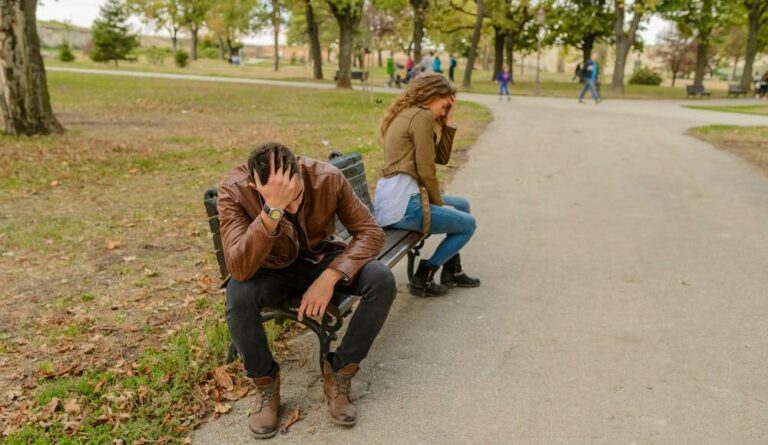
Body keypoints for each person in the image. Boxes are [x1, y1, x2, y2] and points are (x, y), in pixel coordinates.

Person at [218, 143, 396, 438]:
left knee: (381, 278)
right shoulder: (235, 190)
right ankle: (266, 386)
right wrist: (270, 211)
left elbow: (371, 232)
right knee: (238, 296)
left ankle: (339, 374)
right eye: (279, 201)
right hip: (269, 268)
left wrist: (330, 277)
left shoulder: (326, 177)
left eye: (295, 195)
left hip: (320, 259)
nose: (291, 207)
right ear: (254, 184)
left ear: (299, 172)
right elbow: (239, 268)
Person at [374, 74, 481, 298]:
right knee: (468, 225)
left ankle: (452, 271)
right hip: (403, 206)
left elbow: (440, 158)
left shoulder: (412, 113)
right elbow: (426, 170)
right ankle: (426, 273)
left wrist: (448, 121)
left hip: (399, 198)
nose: (443, 112)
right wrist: (439, 204)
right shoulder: (421, 117)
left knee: (462, 205)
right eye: (444, 106)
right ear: (433, 95)